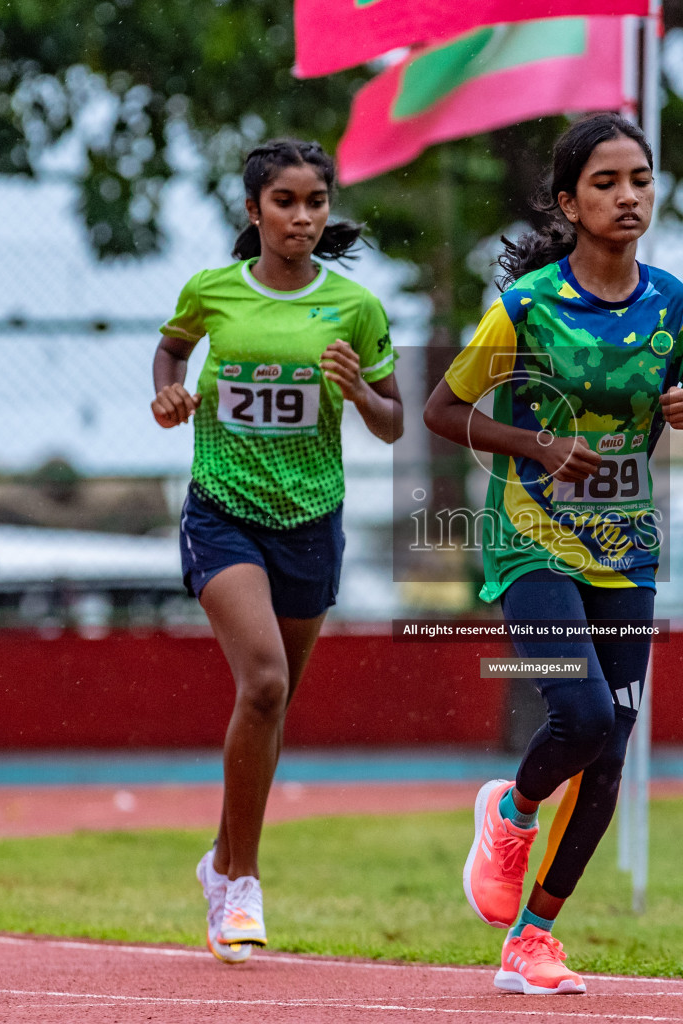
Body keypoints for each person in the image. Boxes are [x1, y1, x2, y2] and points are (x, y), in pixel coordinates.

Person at [422, 113, 683, 995]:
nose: (627, 195)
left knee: (610, 752)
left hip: (625, 547)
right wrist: (539, 448)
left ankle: (534, 937)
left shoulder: (678, 306)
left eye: (639, 178)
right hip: (531, 542)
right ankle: (512, 811)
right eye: (605, 182)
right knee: (585, 715)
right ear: (569, 202)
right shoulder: (526, 308)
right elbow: (443, 413)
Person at [151, 138, 403, 965]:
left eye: (316, 202)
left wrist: (359, 388)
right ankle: (245, 883)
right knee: (261, 680)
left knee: (274, 701)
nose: (302, 217)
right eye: (286, 201)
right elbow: (173, 345)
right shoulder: (213, 290)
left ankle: (218, 862)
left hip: (311, 518)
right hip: (224, 510)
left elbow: (393, 419)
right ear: (253, 210)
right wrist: (168, 390)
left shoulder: (355, 308)